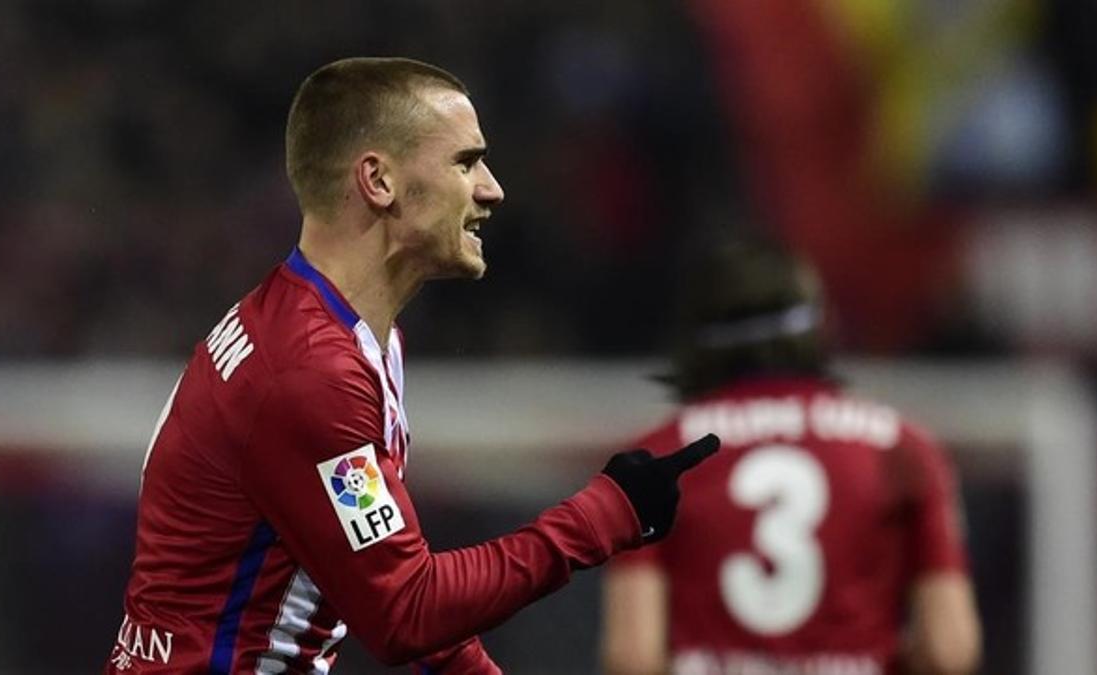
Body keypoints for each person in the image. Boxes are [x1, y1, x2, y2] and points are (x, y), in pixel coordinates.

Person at [104, 56, 719, 674]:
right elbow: (405, 611)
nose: (491, 188)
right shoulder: (310, 372)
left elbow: (390, 582)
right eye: (466, 161)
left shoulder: (344, 337)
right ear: (378, 180)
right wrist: (605, 515)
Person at [600, 230, 981, 675]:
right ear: (820, 326)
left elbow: (634, 656)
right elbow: (948, 650)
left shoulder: (657, 458)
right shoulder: (902, 450)